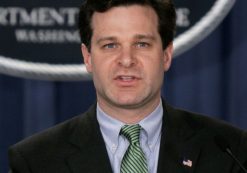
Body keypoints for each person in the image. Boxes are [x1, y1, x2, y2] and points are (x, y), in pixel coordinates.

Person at [8, 0, 247, 172]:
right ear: (88, 57)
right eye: (110, 45)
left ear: (166, 54)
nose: (126, 59)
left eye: (142, 44)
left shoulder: (230, 151)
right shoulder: (35, 160)